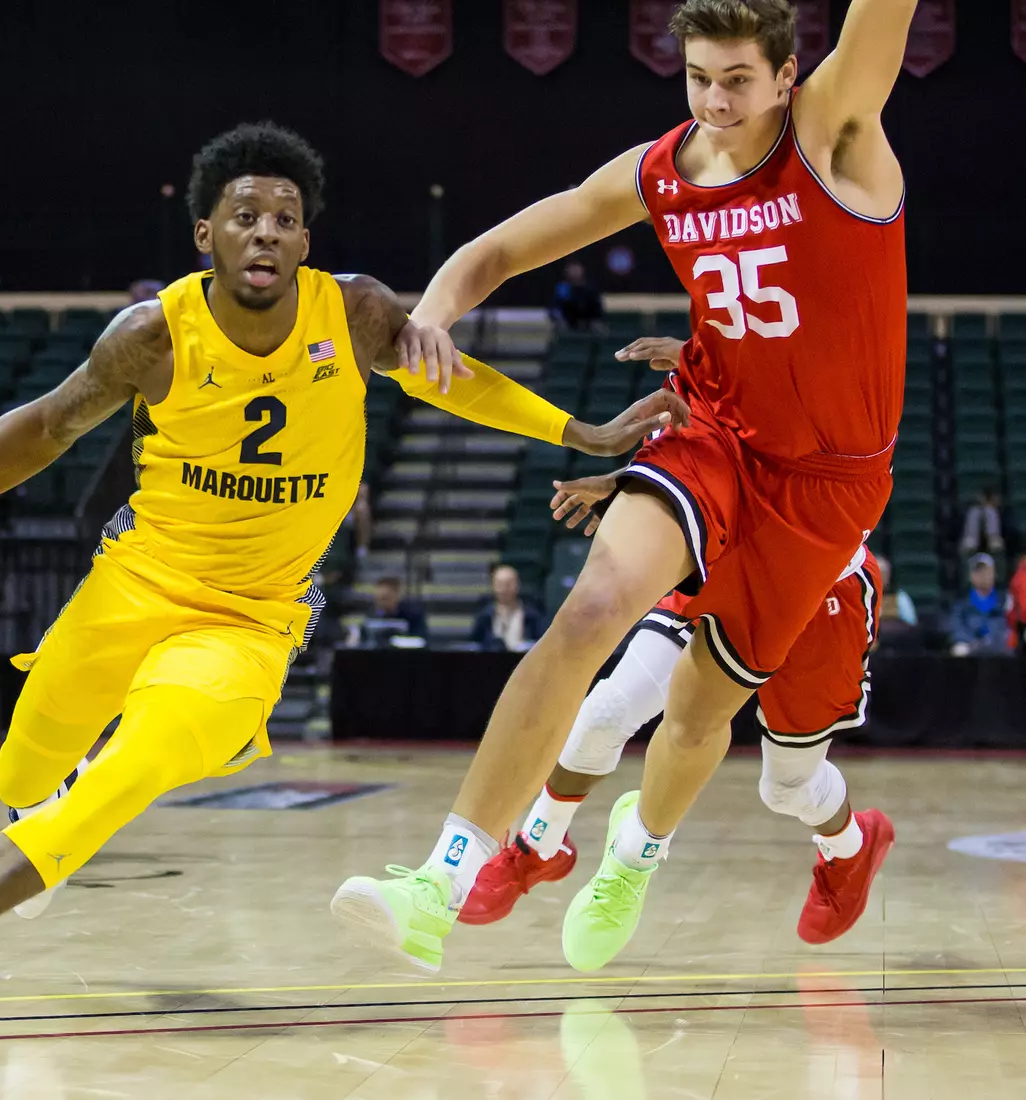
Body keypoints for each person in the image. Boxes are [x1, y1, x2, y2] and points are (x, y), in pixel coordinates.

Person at [0, 122, 685, 1042]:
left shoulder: (352, 313)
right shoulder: (151, 335)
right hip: (135, 580)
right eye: (245, 216)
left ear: (306, 241)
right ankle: (38, 834)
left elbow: (450, 378)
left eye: (285, 218)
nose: (265, 231)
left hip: (251, 623)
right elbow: (41, 430)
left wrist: (576, 434)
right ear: (206, 236)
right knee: (26, 768)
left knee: (124, 774)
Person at [335, 0, 913, 973]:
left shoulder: (833, 134)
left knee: (695, 716)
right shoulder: (662, 172)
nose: (716, 102)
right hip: (713, 430)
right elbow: (499, 250)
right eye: (698, 78)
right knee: (590, 608)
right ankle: (438, 875)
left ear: (786, 76)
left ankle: (635, 857)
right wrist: (430, 313)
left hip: (825, 485)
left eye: (737, 79)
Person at [463, 470, 892, 955]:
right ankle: (540, 846)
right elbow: (689, 428)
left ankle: (852, 848)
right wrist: (632, 483)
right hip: (726, 557)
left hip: (819, 586)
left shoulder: (855, 402)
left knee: (788, 788)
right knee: (606, 711)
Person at [471, 564, 546, 652]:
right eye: (499, 584)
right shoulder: (484, 616)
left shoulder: (532, 615)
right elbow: (476, 644)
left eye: (508, 584)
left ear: (518, 584)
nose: (504, 589)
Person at [950, 553, 1012, 656]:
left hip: (998, 647)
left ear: (994, 574)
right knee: (959, 650)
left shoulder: (1004, 600)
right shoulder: (962, 604)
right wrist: (974, 643)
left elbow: (1008, 626)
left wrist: (990, 641)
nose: (983, 575)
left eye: (986, 571)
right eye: (978, 571)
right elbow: (957, 629)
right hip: (971, 647)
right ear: (971, 576)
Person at [551, 260, 605, 331]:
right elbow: (555, 307)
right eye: (571, 269)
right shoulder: (562, 288)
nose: (574, 271)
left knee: (599, 327)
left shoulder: (590, 288)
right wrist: (560, 318)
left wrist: (595, 319)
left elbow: (597, 307)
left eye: (576, 268)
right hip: (568, 322)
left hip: (589, 321)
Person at [959, 488, 1005, 558]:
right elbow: (969, 531)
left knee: (996, 544)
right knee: (969, 544)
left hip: (990, 542)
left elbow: (994, 532)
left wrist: (991, 539)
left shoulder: (992, 511)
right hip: (973, 541)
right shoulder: (973, 511)